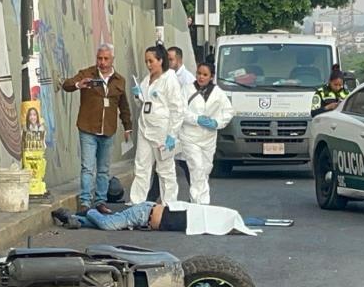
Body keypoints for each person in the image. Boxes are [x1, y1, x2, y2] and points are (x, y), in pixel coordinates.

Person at [62, 43, 132, 215]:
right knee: (87, 167)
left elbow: (123, 105)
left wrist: (127, 126)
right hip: (88, 128)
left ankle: (100, 201)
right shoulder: (87, 74)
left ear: (112, 59)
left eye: (106, 59)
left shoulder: (119, 80)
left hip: (108, 130)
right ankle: (85, 202)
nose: (102, 62)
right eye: (99, 58)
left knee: (103, 169)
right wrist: (79, 84)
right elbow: (67, 85)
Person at [129, 45, 184, 205]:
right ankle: (136, 203)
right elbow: (144, 105)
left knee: (165, 170)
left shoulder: (169, 79)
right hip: (145, 129)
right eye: (146, 61)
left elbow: (177, 109)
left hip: (162, 132)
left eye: (151, 61)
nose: (148, 65)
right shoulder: (147, 80)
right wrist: (137, 96)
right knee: (141, 167)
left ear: (160, 60)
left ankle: (169, 205)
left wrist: (172, 135)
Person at [179, 62, 233, 204]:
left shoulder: (218, 93)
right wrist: (196, 119)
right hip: (190, 136)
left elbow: (229, 112)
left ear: (211, 77)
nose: (201, 77)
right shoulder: (187, 89)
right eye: (199, 73)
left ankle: (200, 202)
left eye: (205, 75)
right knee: (196, 167)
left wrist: (217, 122)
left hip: (208, 138)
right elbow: (180, 111)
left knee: (205, 170)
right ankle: (200, 203)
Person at [51, 201, 257, 236]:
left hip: (143, 219)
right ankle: (91, 211)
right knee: (107, 225)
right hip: (143, 213)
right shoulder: (202, 216)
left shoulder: (202, 222)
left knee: (110, 223)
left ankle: (73, 219)